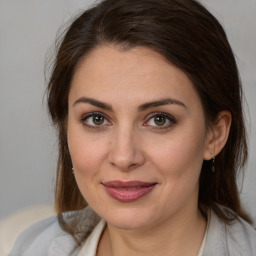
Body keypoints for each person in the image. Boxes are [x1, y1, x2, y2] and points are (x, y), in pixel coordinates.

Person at [7, 0, 256, 255]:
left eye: (160, 119)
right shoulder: (34, 247)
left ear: (214, 135)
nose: (124, 157)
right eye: (96, 119)